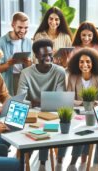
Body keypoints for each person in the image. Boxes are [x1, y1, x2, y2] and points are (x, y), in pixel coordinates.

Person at [16, 39, 66, 171]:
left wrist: (34, 101)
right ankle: (25, 164)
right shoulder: (26, 73)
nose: (48, 58)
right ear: (36, 56)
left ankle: (46, 164)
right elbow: (20, 100)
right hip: (32, 114)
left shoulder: (60, 71)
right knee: (32, 134)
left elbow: (60, 99)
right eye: (44, 55)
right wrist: (46, 101)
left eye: (50, 54)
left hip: (51, 113)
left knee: (61, 129)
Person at [56, 48, 98, 171]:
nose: (85, 65)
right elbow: (69, 99)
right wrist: (86, 103)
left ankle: (84, 163)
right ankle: (60, 162)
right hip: (76, 113)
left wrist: (93, 104)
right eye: (81, 62)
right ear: (77, 64)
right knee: (66, 130)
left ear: (93, 63)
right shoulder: (72, 77)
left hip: (92, 115)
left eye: (88, 61)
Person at [0, 12, 32, 95]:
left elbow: (31, 68)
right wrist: (8, 64)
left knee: (23, 106)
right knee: (10, 106)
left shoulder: (29, 42)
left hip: (24, 79)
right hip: (8, 80)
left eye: (26, 28)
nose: (23, 31)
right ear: (13, 25)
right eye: (20, 27)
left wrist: (29, 64)